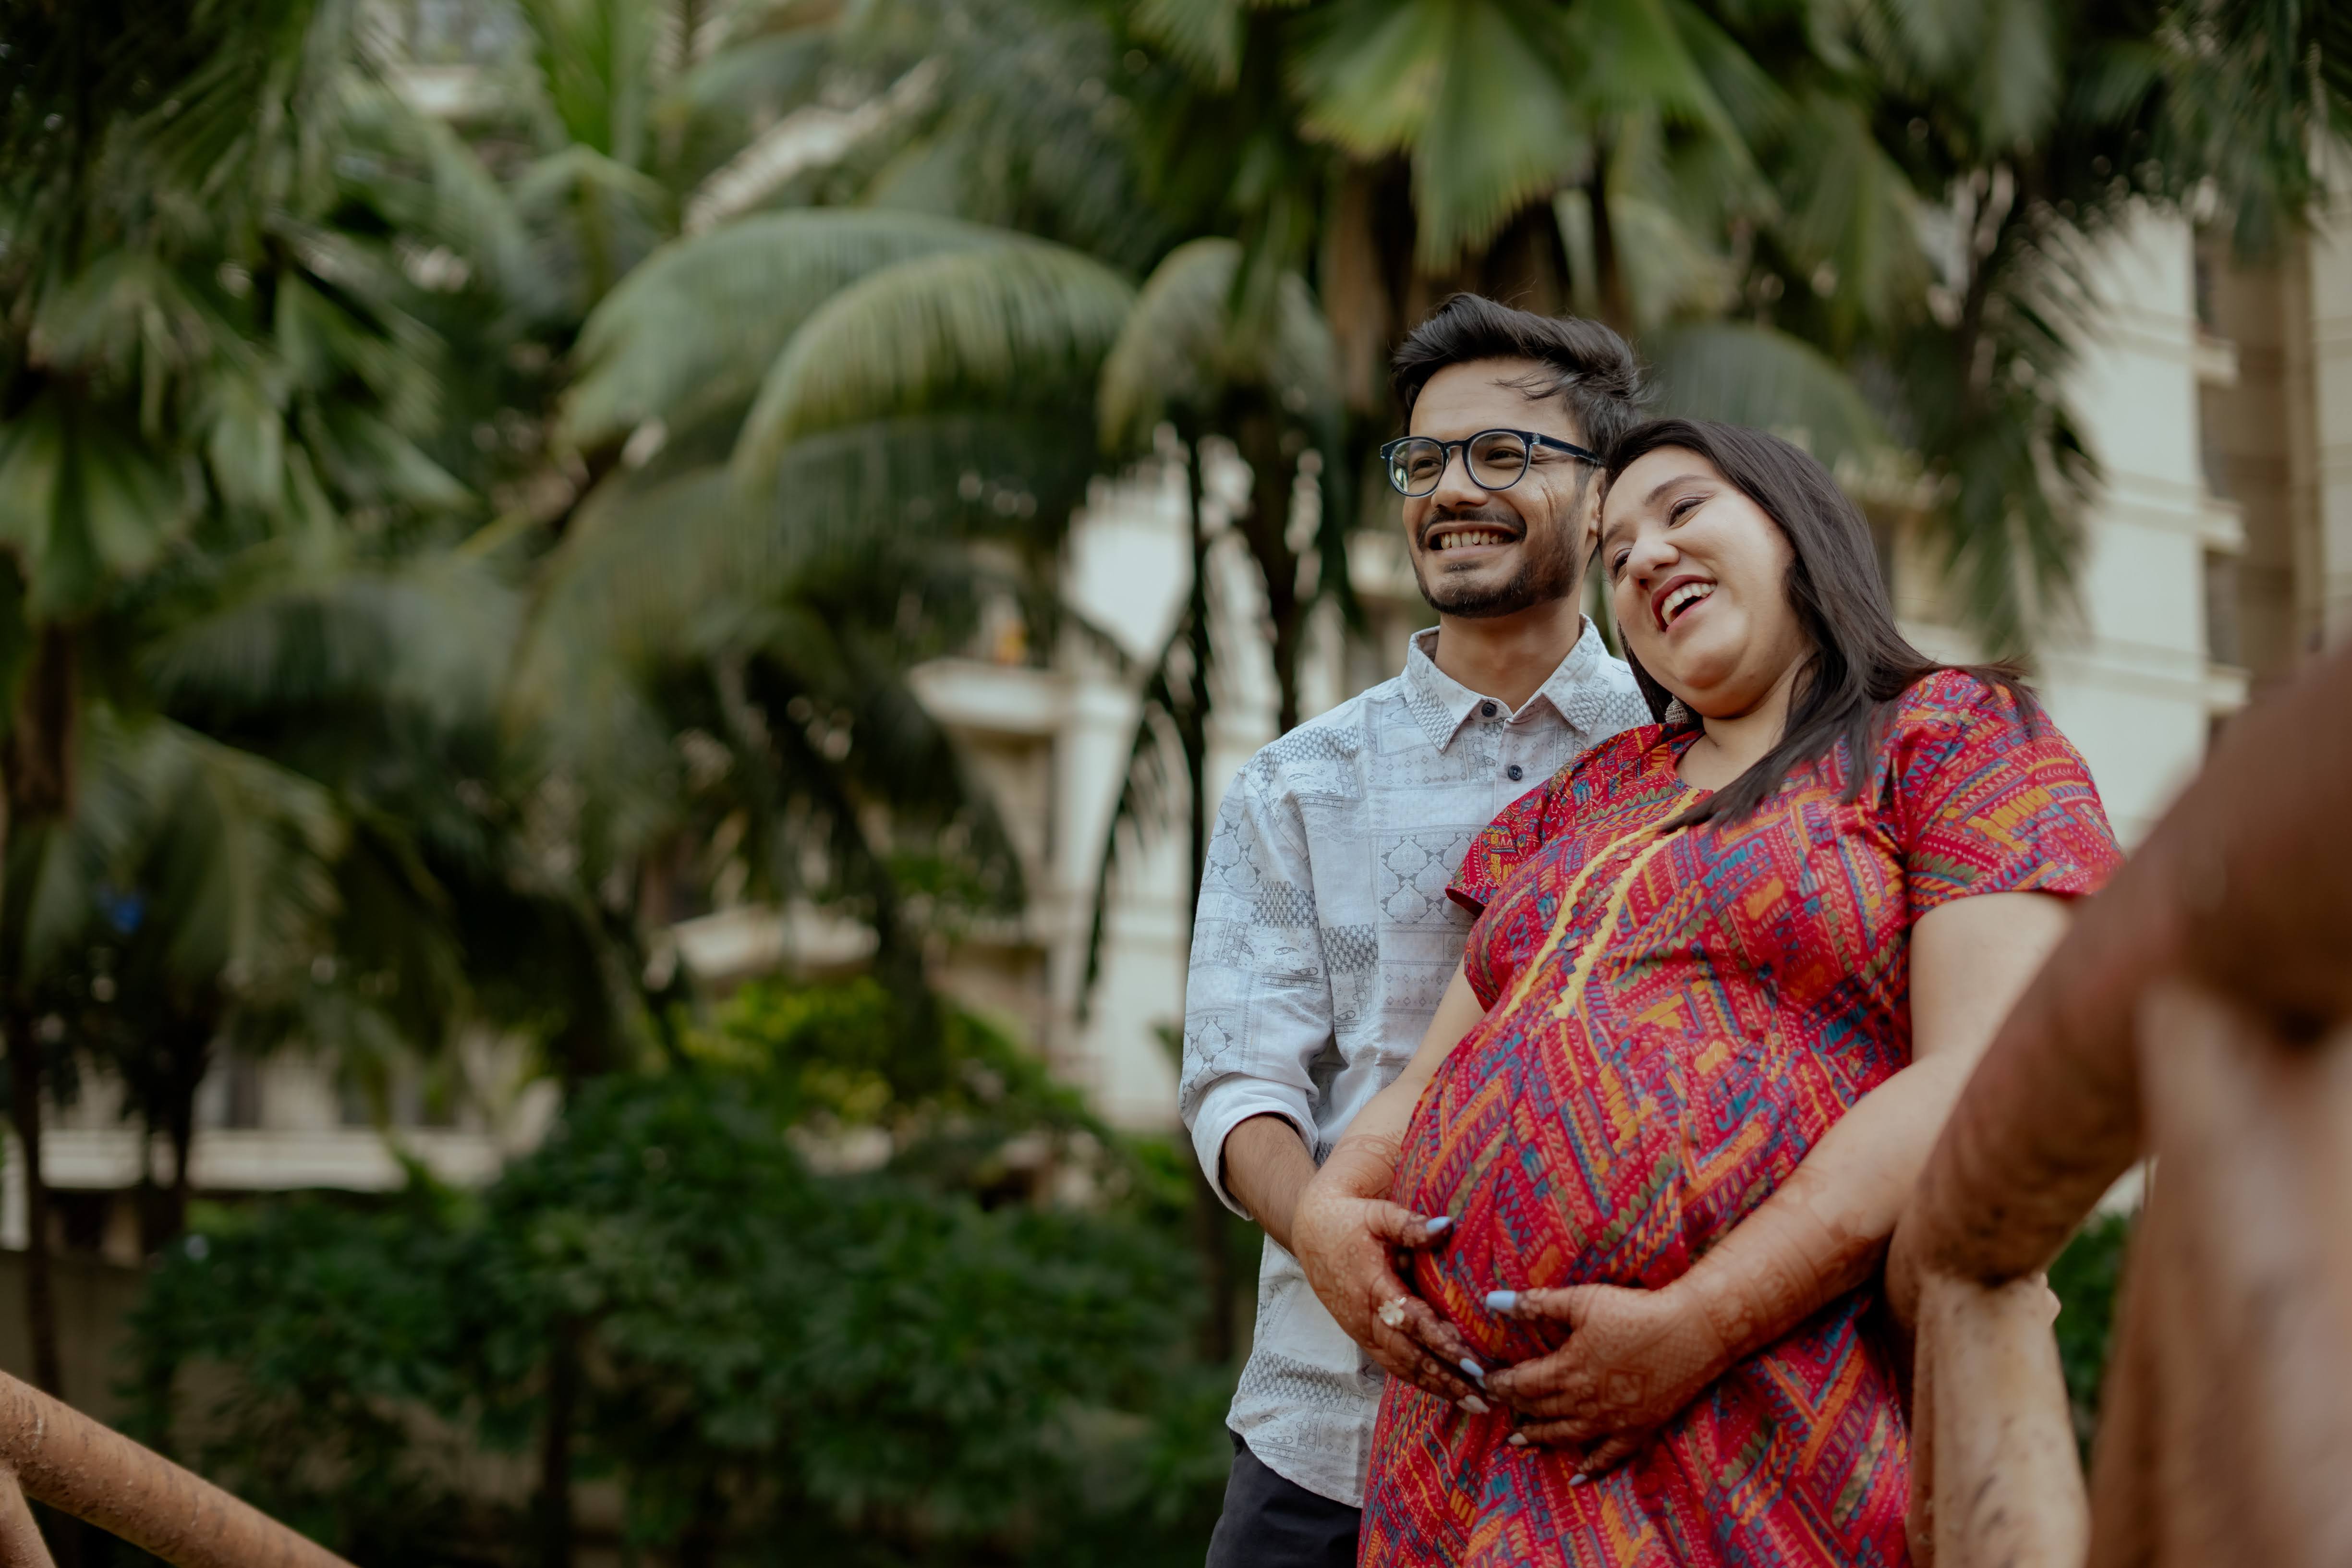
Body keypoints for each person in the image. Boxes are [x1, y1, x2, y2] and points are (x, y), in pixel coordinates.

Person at [1292, 418, 2126, 1566]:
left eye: (1683, 510)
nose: (1641, 557)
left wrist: (1702, 1318)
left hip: (1747, 1429)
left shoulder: (1951, 734)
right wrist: (1331, 1209)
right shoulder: (1578, 800)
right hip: (1461, 1456)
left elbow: (1981, 1071)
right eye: (1615, 552)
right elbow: (1436, 1073)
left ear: (1798, 529)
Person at [1179, 295, 1657, 1568]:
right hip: (1328, 1441)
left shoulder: (1687, 759)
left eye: (1503, 454)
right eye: (1426, 459)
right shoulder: (1296, 783)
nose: (1452, 490)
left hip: (1611, 1441)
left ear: (1601, 499)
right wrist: (1323, 1231)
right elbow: (1234, 1080)